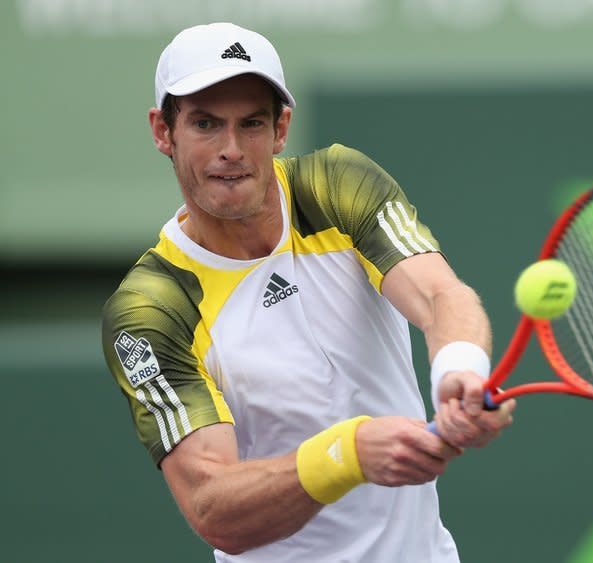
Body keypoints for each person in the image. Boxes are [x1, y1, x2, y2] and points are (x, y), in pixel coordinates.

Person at [101, 22, 516, 563]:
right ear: (163, 131)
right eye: (205, 124)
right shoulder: (151, 308)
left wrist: (460, 372)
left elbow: (440, 295)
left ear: (280, 130)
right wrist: (347, 455)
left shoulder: (336, 185)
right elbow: (211, 505)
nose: (231, 149)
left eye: (251, 124)